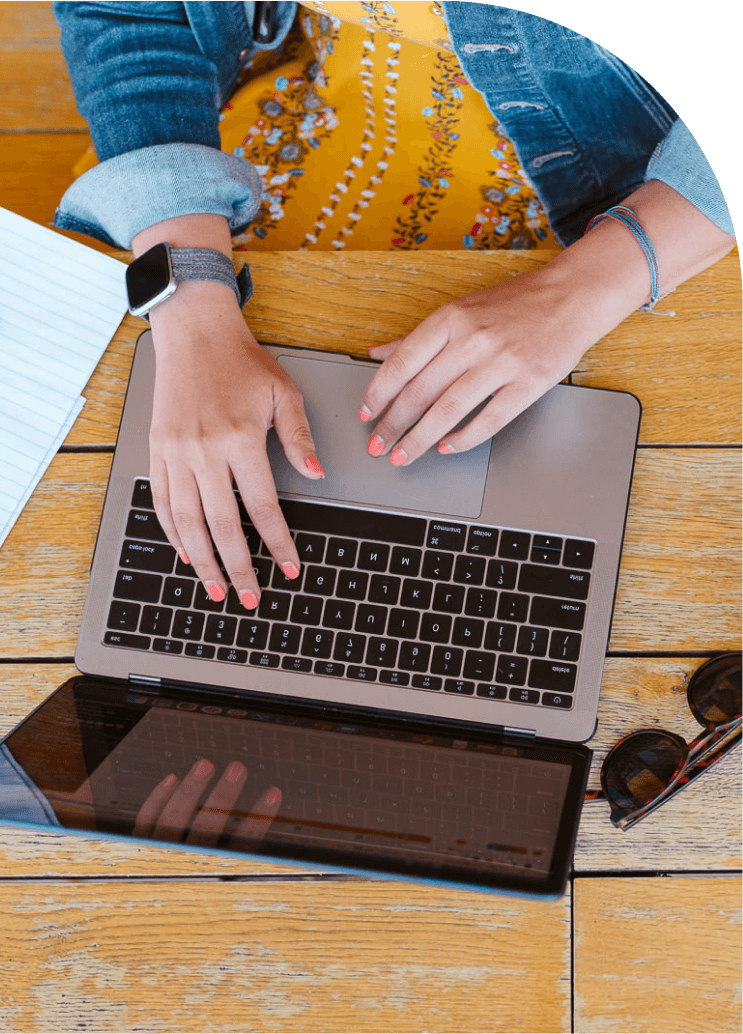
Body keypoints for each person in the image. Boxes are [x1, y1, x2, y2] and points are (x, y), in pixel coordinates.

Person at [52, 1, 735, 614]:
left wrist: (585, 288)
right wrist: (193, 305)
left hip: (646, 180)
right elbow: (127, 15)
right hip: (298, 106)